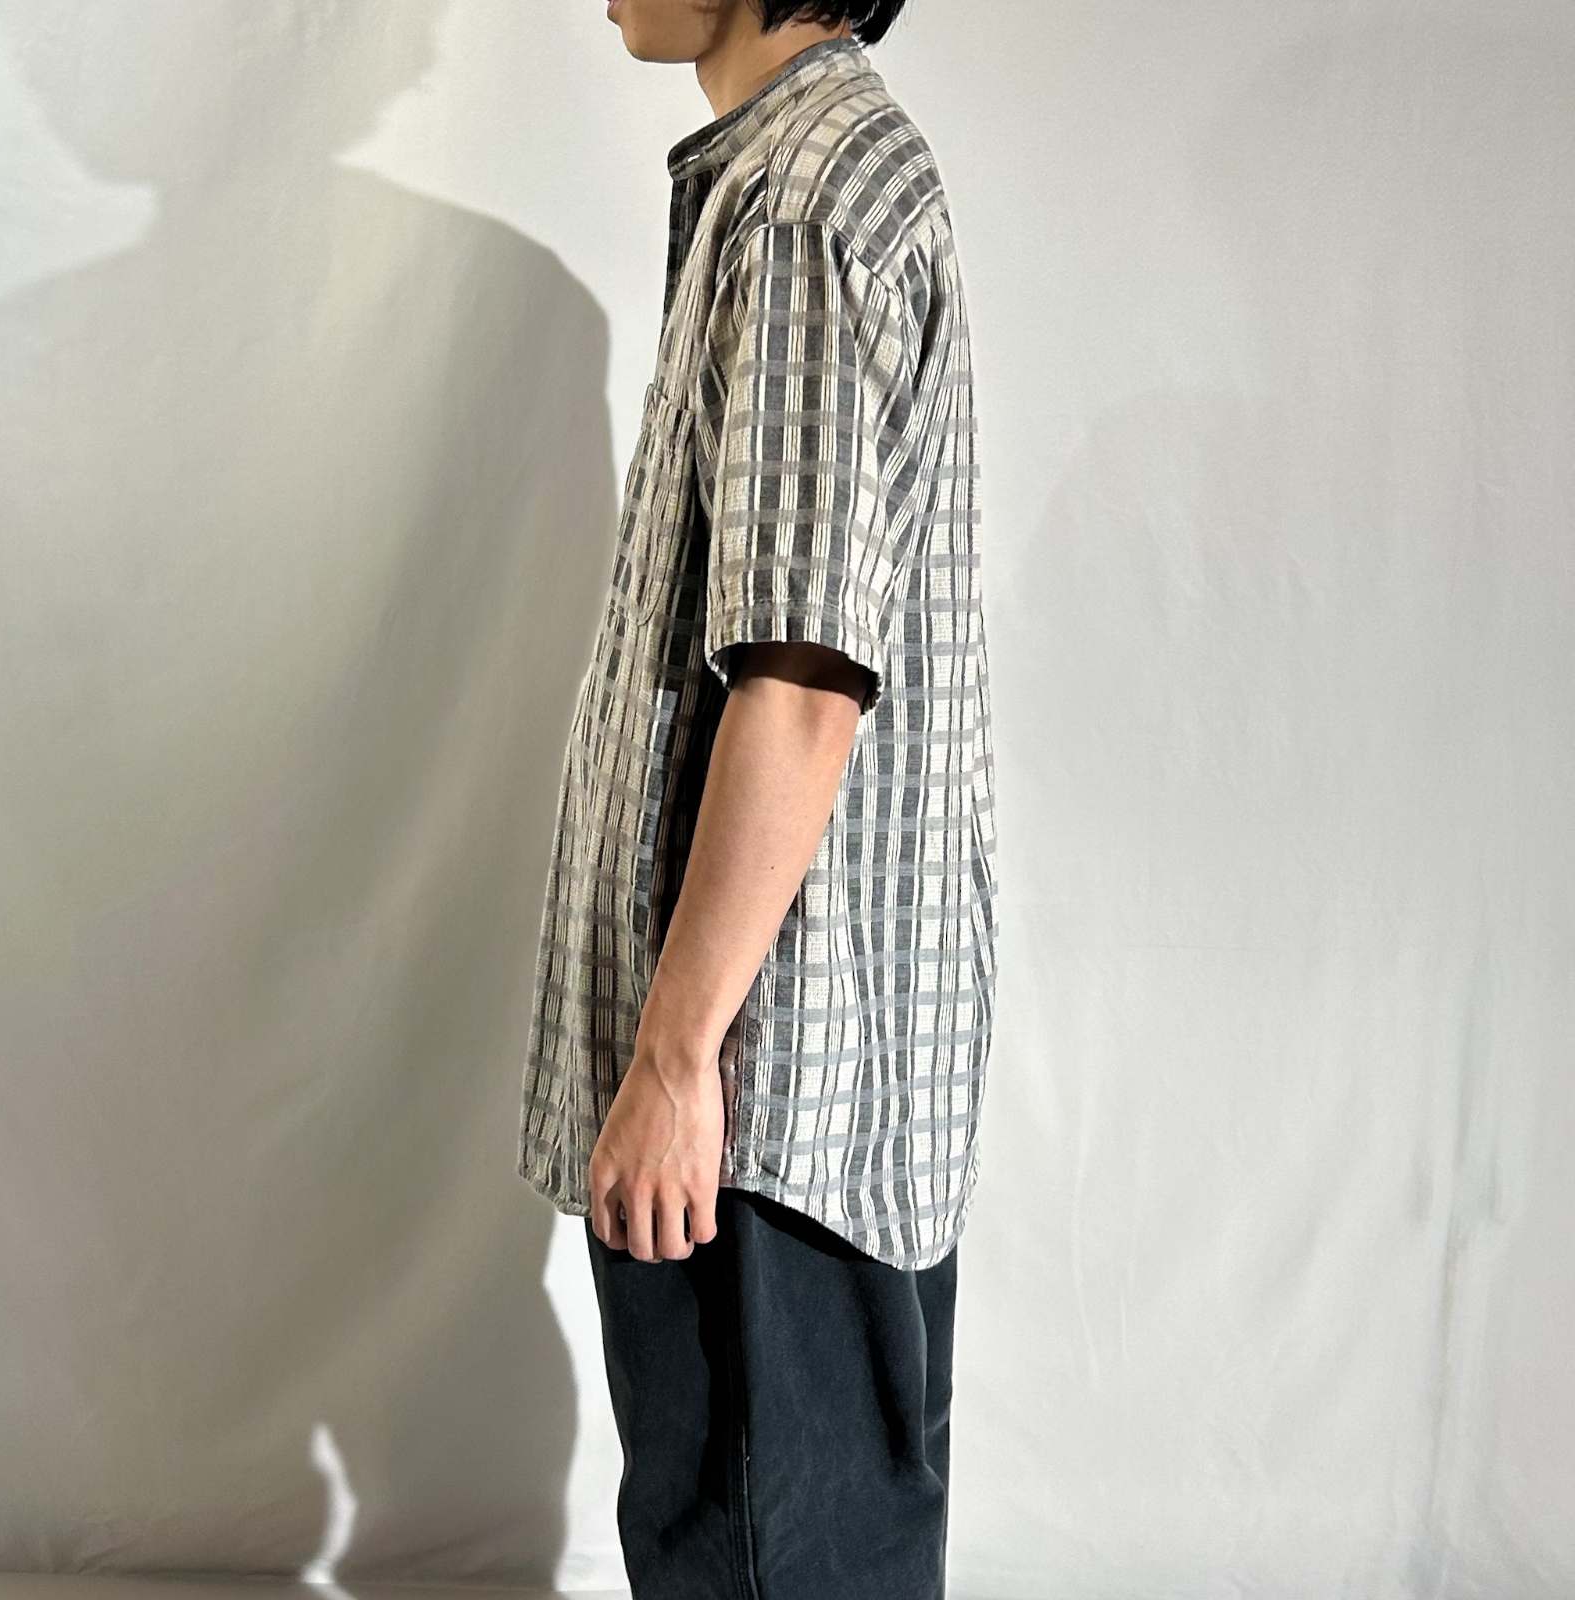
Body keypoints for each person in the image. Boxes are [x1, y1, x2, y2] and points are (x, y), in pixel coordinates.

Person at [517, 2, 998, 1594]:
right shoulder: (810, 176)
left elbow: (800, 681)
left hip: (762, 1091)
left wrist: (673, 1061)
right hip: (793, 1072)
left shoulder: (804, 204)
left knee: (762, 1554)